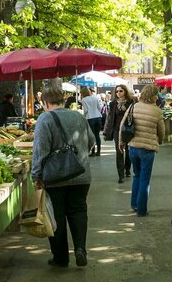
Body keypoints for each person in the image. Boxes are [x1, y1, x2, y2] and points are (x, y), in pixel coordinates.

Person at [31, 84, 95, 268]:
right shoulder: (78, 116)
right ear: (63, 99)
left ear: (45, 102)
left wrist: (36, 175)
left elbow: (40, 151)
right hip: (81, 173)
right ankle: (81, 249)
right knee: (78, 210)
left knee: (56, 215)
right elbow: (91, 141)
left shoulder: (45, 119)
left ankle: (60, 257)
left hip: (55, 177)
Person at [119, 85, 164, 216]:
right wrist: (159, 141)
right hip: (148, 150)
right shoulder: (157, 111)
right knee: (145, 179)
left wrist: (121, 143)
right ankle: (142, 209)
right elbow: (161, 131)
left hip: (133, 147)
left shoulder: (133, 107)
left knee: (136, 176)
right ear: (154, 96)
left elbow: (123, 124)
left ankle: (134, 204)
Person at [103, 84, 134, 183]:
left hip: (128, 130)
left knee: (129, 152)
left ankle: (127, 169)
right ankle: (120, 175)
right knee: (119, 151)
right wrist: (106, 131)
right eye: (117, 91)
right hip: (117, 130)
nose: (118, 93)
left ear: (125, 91)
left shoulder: (131, 102)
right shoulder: (113, 104)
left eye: (120, 91)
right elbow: (109, 118)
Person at [80, 87, 103, 156]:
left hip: (90, 118)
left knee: (91, 135)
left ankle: (92, 151)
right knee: (97, 135)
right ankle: (98, 151)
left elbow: (86, 110)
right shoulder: (95, 97)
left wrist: (83, 116)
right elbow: (99, 107)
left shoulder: (84, 100)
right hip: (98, 117)